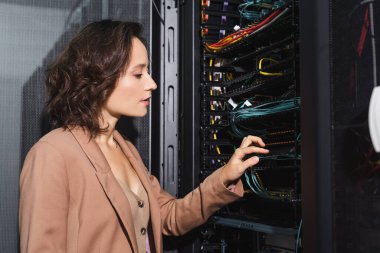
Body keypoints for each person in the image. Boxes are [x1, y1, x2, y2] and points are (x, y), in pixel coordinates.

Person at [19, 20, 269, 253]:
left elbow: (169, 217)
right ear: (99, 77)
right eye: (138, 74)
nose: (152, 84)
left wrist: (226, 175)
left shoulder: (125, 149)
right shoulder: (52, 154)